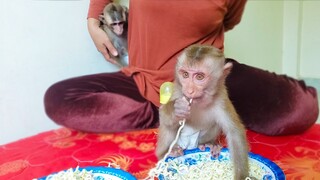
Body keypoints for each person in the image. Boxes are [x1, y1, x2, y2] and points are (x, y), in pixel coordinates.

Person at [44, 0, 318, 136]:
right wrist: (94, 19)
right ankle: (170, 114)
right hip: (146, 82)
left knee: (302, 108)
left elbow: (229, 21)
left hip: (209, 82)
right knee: (59, 99)